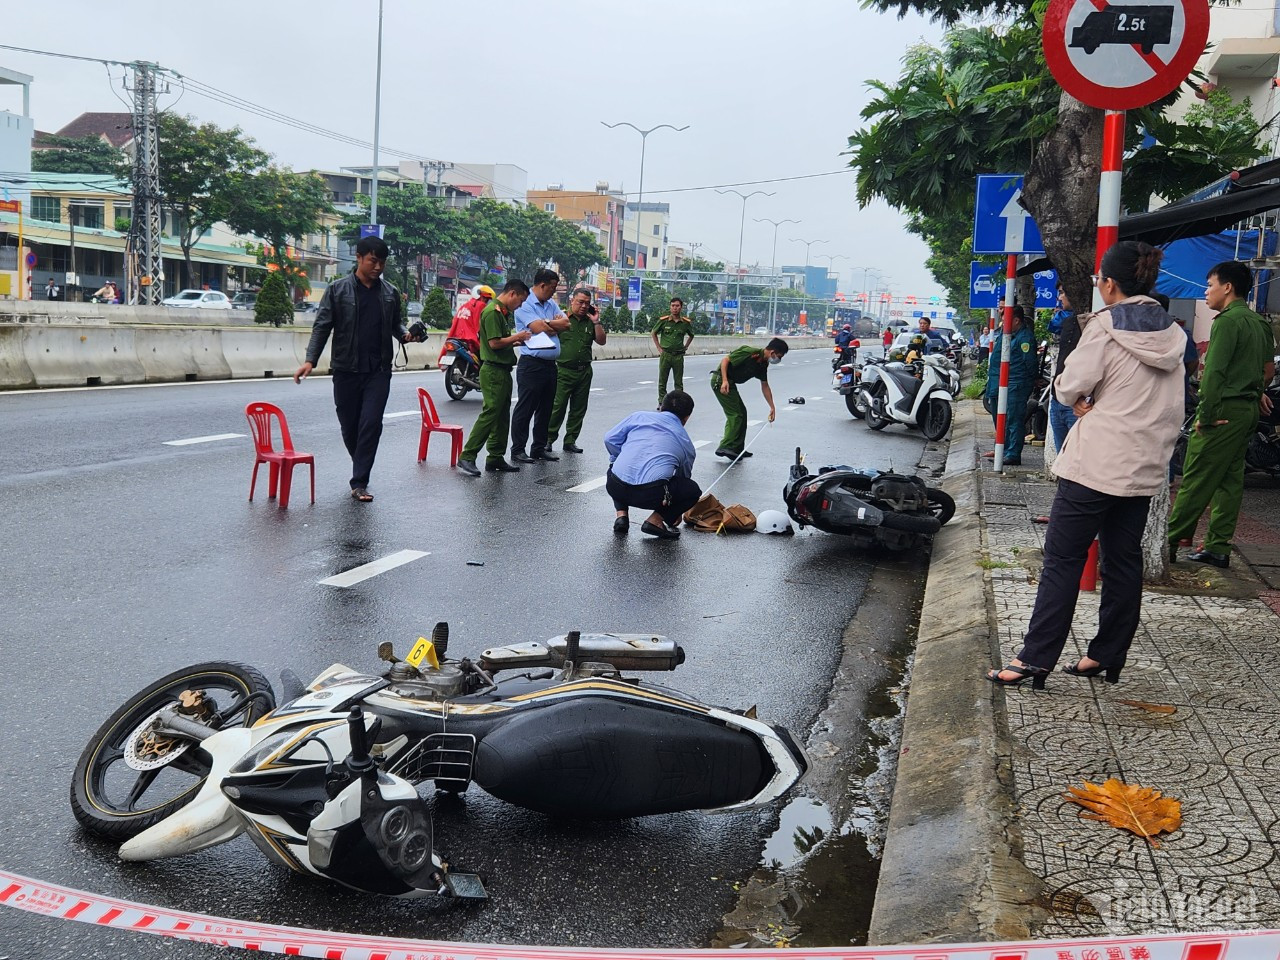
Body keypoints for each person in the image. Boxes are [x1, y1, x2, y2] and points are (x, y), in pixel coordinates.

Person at [986, 241, 1187, 690]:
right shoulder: (1173, 334)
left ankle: (1034, 659)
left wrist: (1077, 395)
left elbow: (1070, 385)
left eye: (1099, 279)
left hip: (1096, 465)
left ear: (1110, 283)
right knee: (1122, 561)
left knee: (1063, 560)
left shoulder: (1105, 326)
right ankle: (1106, 656)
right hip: (1144, 468)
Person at [1167, 261, 1274, 568]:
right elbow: (1268, 370)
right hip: (1247, 410)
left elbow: (1213, 374)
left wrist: (1207, 414)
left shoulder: (1226, 322)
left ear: (1227, 287)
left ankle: (1168, 541)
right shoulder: (1259, 322)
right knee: (1230, 480)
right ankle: (1217, 546)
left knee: (1197, 478)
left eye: (1210, 285)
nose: (1206, 291)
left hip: (1222, 410)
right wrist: (1254, 392)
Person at [293, 235, 417, 502]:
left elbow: (396, 325)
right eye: (373, 260)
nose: (378, 267)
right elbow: (322, 327)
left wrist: (406, 335)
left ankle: (359, 481)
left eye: (382, 262)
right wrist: (309, 360)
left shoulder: (390, 293)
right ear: (359, 258)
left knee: (371, 424)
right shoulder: (337, 290)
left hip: (378, 371)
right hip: (346, 369)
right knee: (350, 427)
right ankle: (360, 461)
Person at [456, 280, 533, 477]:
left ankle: (495, 456)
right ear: (513, 294)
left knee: (502, 415)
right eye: (521, 300)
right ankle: (468, 455)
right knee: (491, 413)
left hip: (503, 369)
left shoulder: (501, 312)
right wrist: (518, 337)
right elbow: (494, 343)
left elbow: (501, 342)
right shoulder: (492, 312)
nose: (521, 305)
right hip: (493, 371)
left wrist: (516, 340)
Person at [605, 390, 701, 540]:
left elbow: (610, 439)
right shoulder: (686, 443)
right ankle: (655, 520)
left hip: (615, 486)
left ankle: (621, 516)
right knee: (693, 490)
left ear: (661, 407)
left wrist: (619, 456)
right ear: (687, 418)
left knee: (615, 464)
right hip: (650, 496)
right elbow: (683, 479)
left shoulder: (638, 417)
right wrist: (673, 512)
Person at [510, 269, 571, 463]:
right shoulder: (525, 303)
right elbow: (539, 329)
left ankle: (539, 447)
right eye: (552, 288)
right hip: (531, 364)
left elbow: (567, 323)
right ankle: (518, 449)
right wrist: (550, 325)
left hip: (550, 365)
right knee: (526, 408)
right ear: (542, 285)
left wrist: (546, 323)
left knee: (546, 409)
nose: (553, 293)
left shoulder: (550, 303)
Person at [547, 289, 607, 453]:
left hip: (584, 371)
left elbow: (602, 341)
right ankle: (548, 439)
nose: (583, 306)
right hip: (563, 371)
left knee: (579, 408)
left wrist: (596, 321)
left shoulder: (591, 321)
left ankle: (570, 440)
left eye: (587, 303)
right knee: (557, 407)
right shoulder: (562, 319)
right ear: (572, 301)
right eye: (580, 302)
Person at [711, 338, 788, 459]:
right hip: (721, 381)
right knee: (736, 414)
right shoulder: (750, 352)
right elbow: (726, 360)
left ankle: (737, 449)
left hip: (730, 383)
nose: (778, 359)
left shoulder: (762, 364)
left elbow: (765, 385)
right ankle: (726, 446)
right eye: (779, 356)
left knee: (742, 413)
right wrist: (724, 381)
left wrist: (772, 407)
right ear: (772, 352)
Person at [983, 305, 1037, 465]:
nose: (1002, 322)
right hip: (998, 382)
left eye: (1006, 319)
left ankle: (1012, 453)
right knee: (1000, 419)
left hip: (1015, 383)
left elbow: (1030, 363)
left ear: (1016, 320)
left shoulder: (1024, 338)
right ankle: (1002, 448)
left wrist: (1034, 379)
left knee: (1013, 419)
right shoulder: (1007, 334)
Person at [1048, 283, 1082, 452]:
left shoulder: (1091, 325)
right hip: (1058, 398)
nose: (1059, 297)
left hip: (1077, 402)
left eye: (1062, 292)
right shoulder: (1066, 321)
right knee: (1062, 457)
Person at [651, 297, 694, 402]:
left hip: (678, 356)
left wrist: (686, 346)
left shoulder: (685, 323)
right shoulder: (663, 321)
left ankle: (678, 403)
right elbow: (653, 332)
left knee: (678, 382)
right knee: (662, 380)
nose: (675, 308)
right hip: (666, 354)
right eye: (673, 305)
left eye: (677, 306)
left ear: (681, 307)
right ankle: (662, 401)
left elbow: (691, 335)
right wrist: (659, 348)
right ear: (670, 307)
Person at [441, 284, 493, 362]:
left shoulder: (464, 306)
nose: (486, 301)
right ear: (479, 295)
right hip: (468, 338)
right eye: (485, 298)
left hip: (456, 337)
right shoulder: (480, 305)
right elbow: (479, 325)